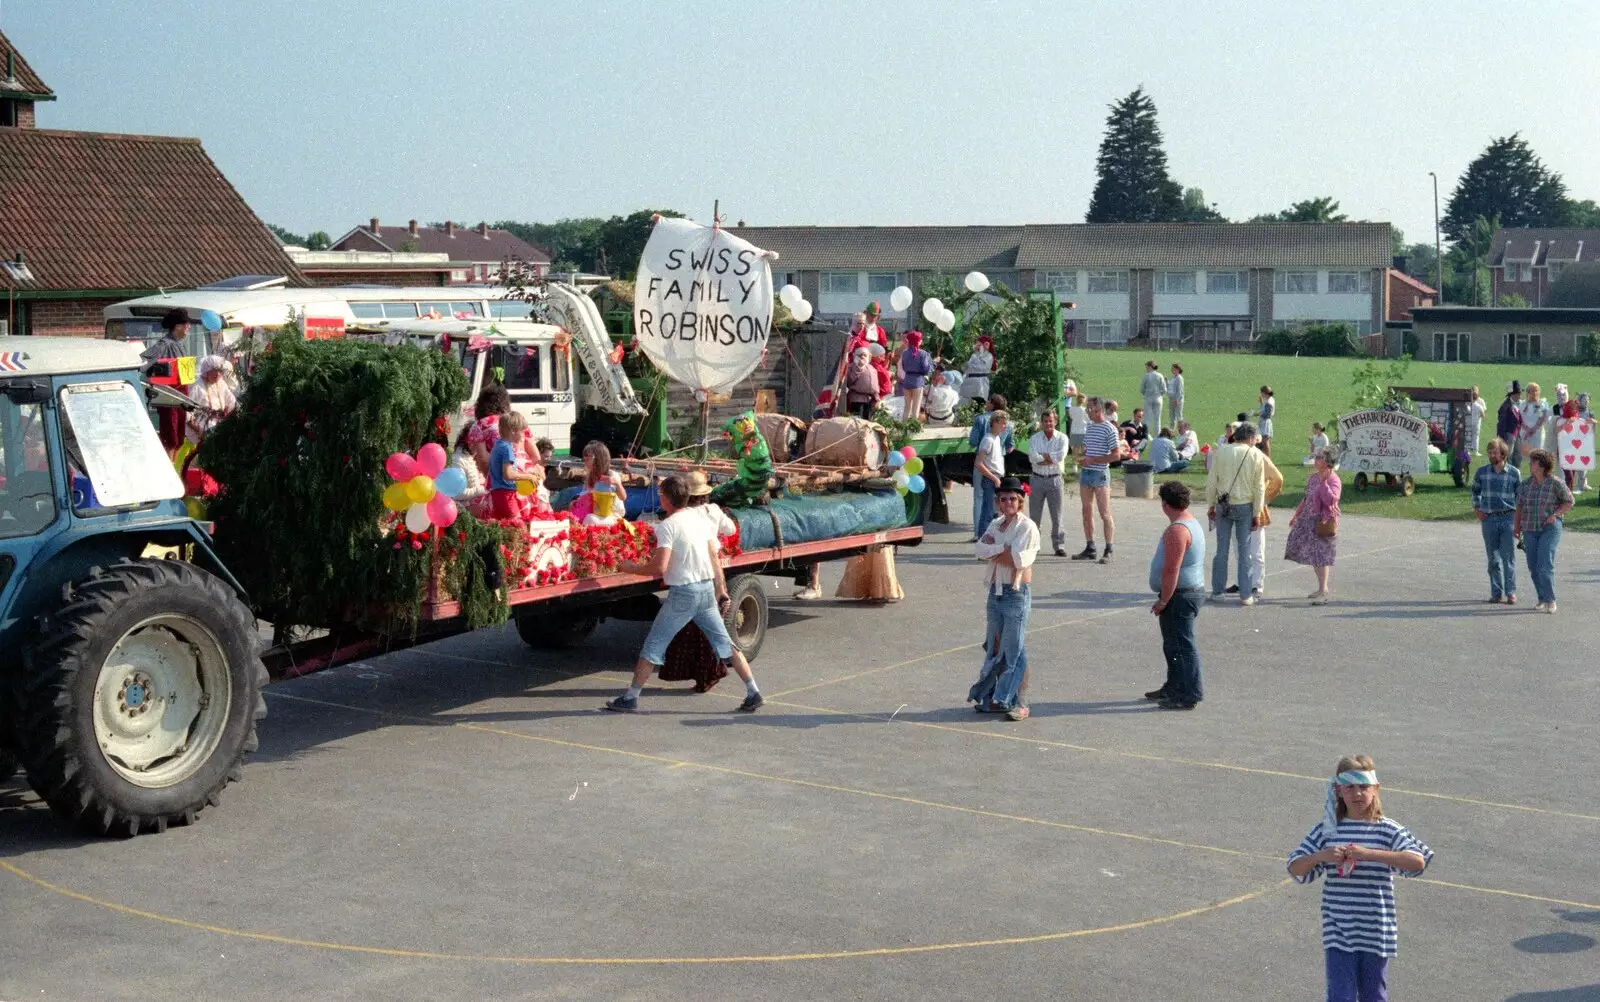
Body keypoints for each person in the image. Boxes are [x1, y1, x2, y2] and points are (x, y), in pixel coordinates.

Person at [605, 474, 763, 713]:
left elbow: (659, 567)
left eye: (660, 495)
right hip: (705, 589)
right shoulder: (699, 518)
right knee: (726, 643)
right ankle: (753, 691)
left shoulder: (668, 526)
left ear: (666, 499)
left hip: (684, 594)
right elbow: (712, 550)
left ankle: (631, 697)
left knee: (653, 645)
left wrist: (632, 568)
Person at [1287, 755, 1432, 1002]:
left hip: (1376, 931)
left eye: (1364, 787)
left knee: (1374, 996)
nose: (1357, 794)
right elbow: (1295, 868)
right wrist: (1322, 855)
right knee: (1340, 996)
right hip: (1339, 930)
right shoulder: (1328, 829)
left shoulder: (1387, 829)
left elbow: (1417, 861)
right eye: (1350, 788)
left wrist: (1369, 854)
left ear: (1375, 789)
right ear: (1338, 791)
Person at [968, 476, 1039, 721]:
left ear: (1020, 501)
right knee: (994, 646)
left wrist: (995, 550)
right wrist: (1002, 549)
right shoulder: (997, 524)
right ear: (998, 502)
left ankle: (1020, 702)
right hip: (995, 592)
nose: (1008, 502)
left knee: (1014, 650)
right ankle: (997, 699)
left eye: (1012, 498)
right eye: (1003, 499)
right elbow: (980, 550)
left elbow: (1019, 559)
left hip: (1015, 593)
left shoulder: (1027, 526)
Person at [1145, 480, 1206, 710]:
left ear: (1165, 504)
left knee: (1182, 645)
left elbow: (1172, 569)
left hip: (1180, 595)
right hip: (1188, 592)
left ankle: (1189, 693)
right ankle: (1173, 686)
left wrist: (1163, 600)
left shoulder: (1177, 530)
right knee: (1173, 645)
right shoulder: (1191, 523)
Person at [1205, 421, 1268, 604]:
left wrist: (1211, 504)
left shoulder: (1222, 451)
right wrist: (1257, 512)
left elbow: (1212, 481)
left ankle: (1217, 591)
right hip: (1245, 505)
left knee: (1221, 549)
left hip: (1223, 503)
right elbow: (1259, 487)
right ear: (1250, 437)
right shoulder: (1255, 454)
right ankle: (1246, 594)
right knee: (1245, 551)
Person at [1514, 448, 1573, 614]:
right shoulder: (1526, 484)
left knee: (1545, 565)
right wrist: (1516, 526)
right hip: (1530, 528)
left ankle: (1550, 600)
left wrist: (1556, 514)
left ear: (1542, 465)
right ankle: (1542, 597)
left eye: (1533, 461)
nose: (1530, 464)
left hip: (1550, 527)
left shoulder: (1556, 482)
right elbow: (1519, 506)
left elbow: (1569, 501)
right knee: (1533, 565)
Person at [1285, 444, 1342, 604]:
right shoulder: (1313, 477)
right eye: (1315, 456)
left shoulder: (1333, 479)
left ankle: (1323, 590)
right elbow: (1306, 498)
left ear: (1327, 461)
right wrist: (1296, 515)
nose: (1315, 459)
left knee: (1321, 555)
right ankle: (1321, 588)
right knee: (1314, 555)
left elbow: (1332, 500)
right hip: (1308, 519)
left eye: (1319, 457)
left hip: (1323, 521)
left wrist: (1324, 484)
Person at [1072, 396, 1125, 564]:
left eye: (1090, 408)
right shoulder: (1087, 427)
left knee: (1104, 512)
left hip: (1100, 473)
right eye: (1087, 408)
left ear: (1099, 410)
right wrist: (1080, 456)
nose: (1087, 411)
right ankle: (1090, 546)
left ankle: (1109, 548)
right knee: (1086, 510)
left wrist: (1093, 460)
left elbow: (1116, 455)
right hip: (1086, 472)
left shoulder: (1109, 429)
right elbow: (1083, 449)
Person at [1471, 438, 1519, 604]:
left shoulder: (1514, 473)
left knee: (1508, 558)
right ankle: (1496, 592)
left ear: (1503, 453)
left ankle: (1511, 592)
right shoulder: (1482, 472)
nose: (1492, 455)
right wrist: (1477, 509)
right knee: (1493, 559)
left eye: (1495, 452)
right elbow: (1475, 492)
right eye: (1490, 452)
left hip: (1508, 518)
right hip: (1489, 519)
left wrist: (1519, 520)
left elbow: (1519, 498)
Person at [1240, 426, 1284, 601]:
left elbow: (1277, 478)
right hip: (1246, 504)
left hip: (1250, 505)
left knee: (1253, 548)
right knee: (1246, 548)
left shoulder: (1258, 456)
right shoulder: (1246, 455)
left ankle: (1255, 583)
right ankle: (1247, 582)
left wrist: (1266, 497)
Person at [1027, 408, 1068, 556]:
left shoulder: (1062, 438)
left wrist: (1043, 458)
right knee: (1035, 516)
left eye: (1050, 420)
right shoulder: (1034, 438)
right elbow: (1032, 458)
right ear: (1041, 423)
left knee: (1057, 515)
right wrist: (1049, 459)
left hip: (1055, 479)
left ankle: (1059, 546)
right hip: (1037, 478)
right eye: (1045, 421)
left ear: (1055, 421)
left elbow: (1061, 456)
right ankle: (1034, 545)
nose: (1048, 423)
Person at [488, 411, 540, 520]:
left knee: (505, 528)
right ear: (513, 431)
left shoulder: (498, 444)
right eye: (522, 431)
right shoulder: (507, 448)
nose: (523, 435)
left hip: (497, 493)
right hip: (505, 494)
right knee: (518, 528)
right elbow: (508, 475)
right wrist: (529, 477)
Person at [184, 355, 238, 445]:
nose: (217, 374)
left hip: (220, 428)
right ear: (206, 371)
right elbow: (186, 412)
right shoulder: (196, 386)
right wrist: (199, 430)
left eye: (219, 371)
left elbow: (232, 401)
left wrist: (228, 413)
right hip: (202, 429)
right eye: (214, 372)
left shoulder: (221, 383)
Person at [973, 410, 1009, 542]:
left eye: (1005, 424)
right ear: (994, 423)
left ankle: (992, 541)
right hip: (990, 479)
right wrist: (994, 478)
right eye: (1002, 423)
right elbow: (979, 463)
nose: (1004, 426)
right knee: (987, 512)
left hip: (996, 478)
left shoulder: (997, 438)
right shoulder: (987, 440)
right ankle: (983, 542)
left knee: (995, 514)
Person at [449, 423, 491, 517]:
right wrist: (483, 489)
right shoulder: (458, 460)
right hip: (464, 513)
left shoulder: (470, 458)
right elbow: (457, 494)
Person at [897, 330, 934, 420]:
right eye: (921, 339)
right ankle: (914, 429)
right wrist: (933, 364)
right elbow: (926, 370)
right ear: (918, 341)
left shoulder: (905, 353)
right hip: (917, 382)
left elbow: (904, 367)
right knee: (916, 408)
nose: (922, 341)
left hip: (907, 381)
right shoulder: (923, 354)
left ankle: (904, 427)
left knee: (907, 407)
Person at [1518, 382, 1550, 471]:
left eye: (1537, 391)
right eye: (1532, 391)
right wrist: (1527, 430)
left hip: (1537, 434)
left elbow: (1542, 418)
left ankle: (1536, 476)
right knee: (1525, 456)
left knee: (1537, 457)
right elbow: (1519, 418)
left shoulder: (1543, 404)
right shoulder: (1523, 404)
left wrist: (1532, 430)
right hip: (1524, 434)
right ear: (1527, 392)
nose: (1535, 393)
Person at [844, 347, 880, 419]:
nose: (862, 357)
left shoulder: (871, 368)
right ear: (855, 356)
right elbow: (849, 381)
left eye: (865, 355)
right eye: (860, 355)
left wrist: (876, 397)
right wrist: (858, 367)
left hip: (869, 398)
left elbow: (875, 385)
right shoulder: (851, 367)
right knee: (857, 418)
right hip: (856, 398)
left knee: (867, 418)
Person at [960, 335, 997, 404]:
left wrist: (969, 365)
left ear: (985, 345)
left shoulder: (989, 356)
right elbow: (965, 369)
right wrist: (965, 365)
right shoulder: (974, 355)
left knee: (976, 407)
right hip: (968, 384)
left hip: (980, 386)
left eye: (979, 344)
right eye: (976, 343)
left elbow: (979, 368)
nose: (976, 345)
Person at [1497, 382, 1523, 470]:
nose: (1520, 396)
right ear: (1513, 394)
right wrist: (1502, 438)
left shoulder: (1518, 404)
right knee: (1508, 456)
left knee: (1518, 456)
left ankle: (1516, 472)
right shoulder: (1505, 406)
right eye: (1519, 393)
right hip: (1509, 435)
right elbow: (1501, 424)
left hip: (1517, 434)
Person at [1141, 360, 1167, 435]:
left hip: (1148, 398)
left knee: (1147, 418)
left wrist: (1146, 393)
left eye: (1147, 367)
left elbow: (1142, 389)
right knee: (1157, 419)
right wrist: (1160, 394)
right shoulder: (1160, 375)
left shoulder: (1146, 376)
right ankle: (1157, 435)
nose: (1146, 368)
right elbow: (1164, 389)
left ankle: (1146, 435)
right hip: (1158, 398)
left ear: (1150, 367)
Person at [1466, 386, 1487, 456]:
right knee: (1475, 436)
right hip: (1476, 422)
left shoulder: (1470, 402)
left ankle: (1469, 450)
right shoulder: (1479, 405)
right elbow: (1483, 413)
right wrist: (1479, 417)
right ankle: (1475, 451)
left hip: (1469, 422)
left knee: (1469, 435)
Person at [1256, 386, 1276, 456]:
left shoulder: (1269, 402)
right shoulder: (1268, 399)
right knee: (1260, 441)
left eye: (1261, 392)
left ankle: (1267, 459)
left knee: (1265, 442)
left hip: (1265, 423)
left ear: (1265, 393)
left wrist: (1256, 414)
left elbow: (1267, 415)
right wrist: (1261, 403)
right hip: (1263, 422)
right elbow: (1263, 410)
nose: (1260, 394)